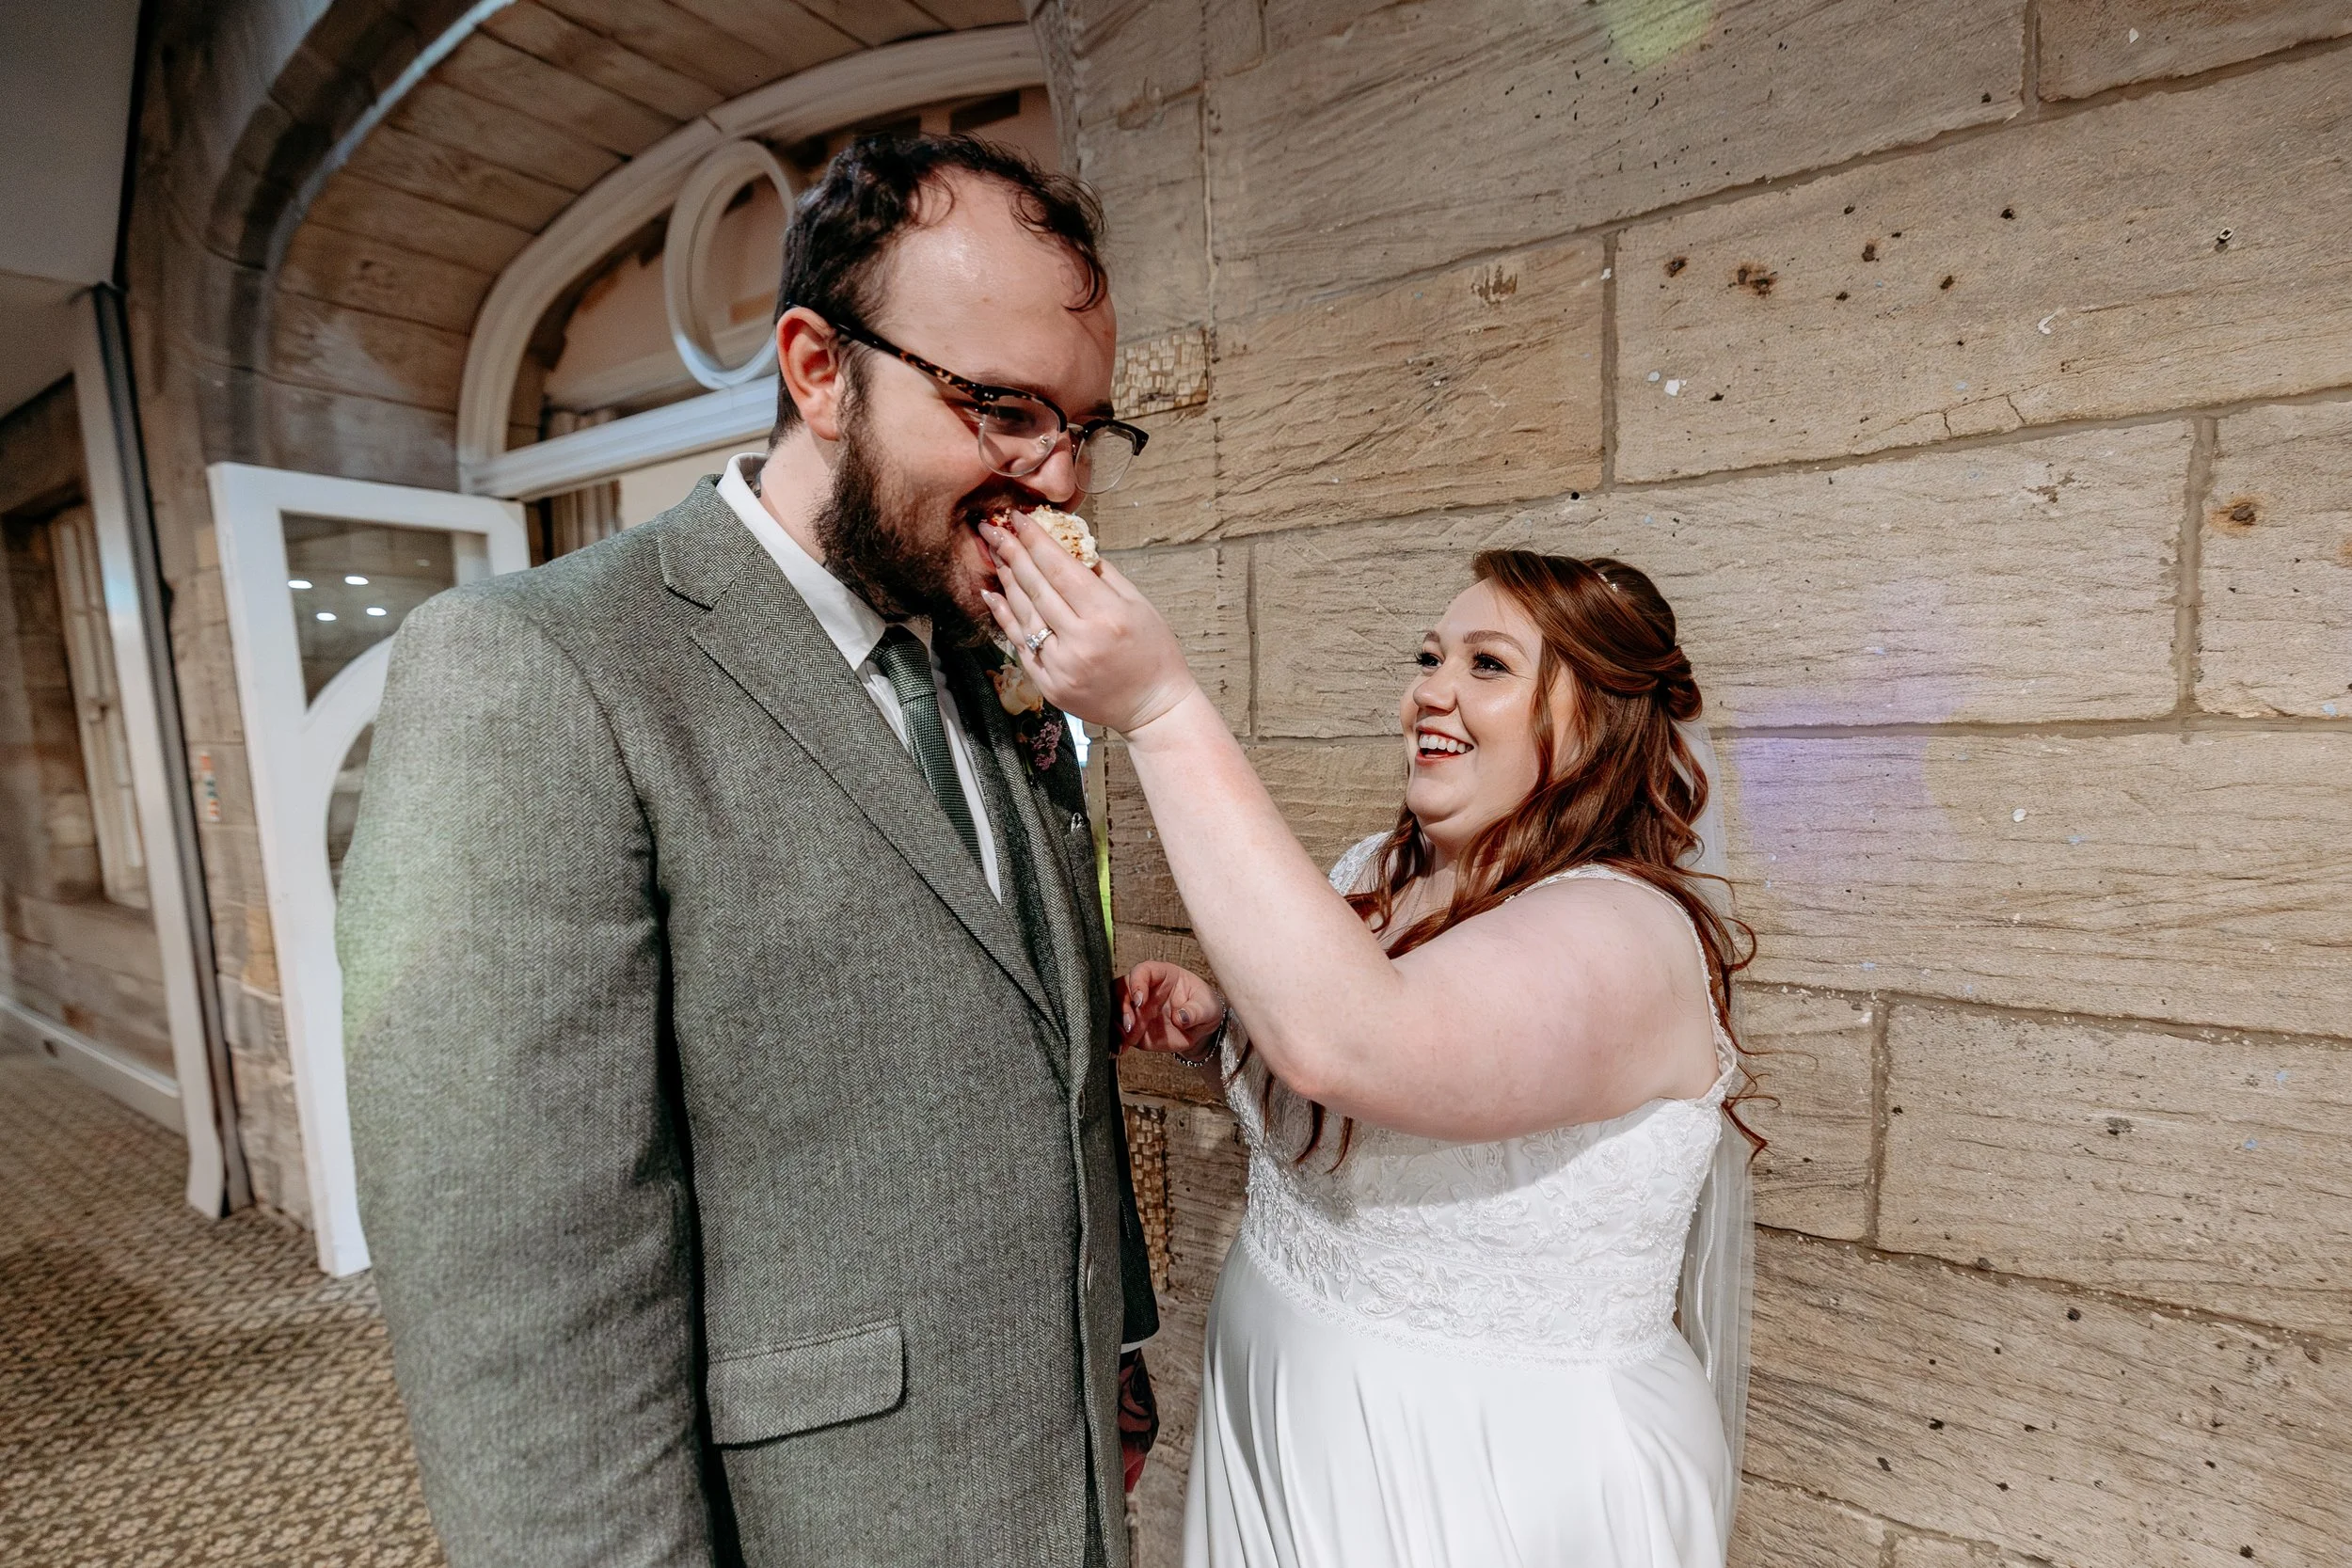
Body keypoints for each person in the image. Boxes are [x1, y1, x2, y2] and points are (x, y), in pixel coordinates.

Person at [338, 136, 1162, 1568]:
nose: (1059, 478)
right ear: (818, 368)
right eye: (1005, 409)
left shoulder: (983, 650)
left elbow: (1049, 1051)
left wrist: (1116, 1336)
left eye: (1087, 424)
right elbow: (523, 1296)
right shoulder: (538, 670)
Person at [978, 525, 1756, 1567]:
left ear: (1597, 717)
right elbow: (1389, 1090)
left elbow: (1355, 1043)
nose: (1433, 690)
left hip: (1489, 1470)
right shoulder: (1379, 873)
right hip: (1285, 1404)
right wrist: (1226, 1030)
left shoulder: (1628, 935)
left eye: (1488, 665)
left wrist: (1162, 709)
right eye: (1430, 656)